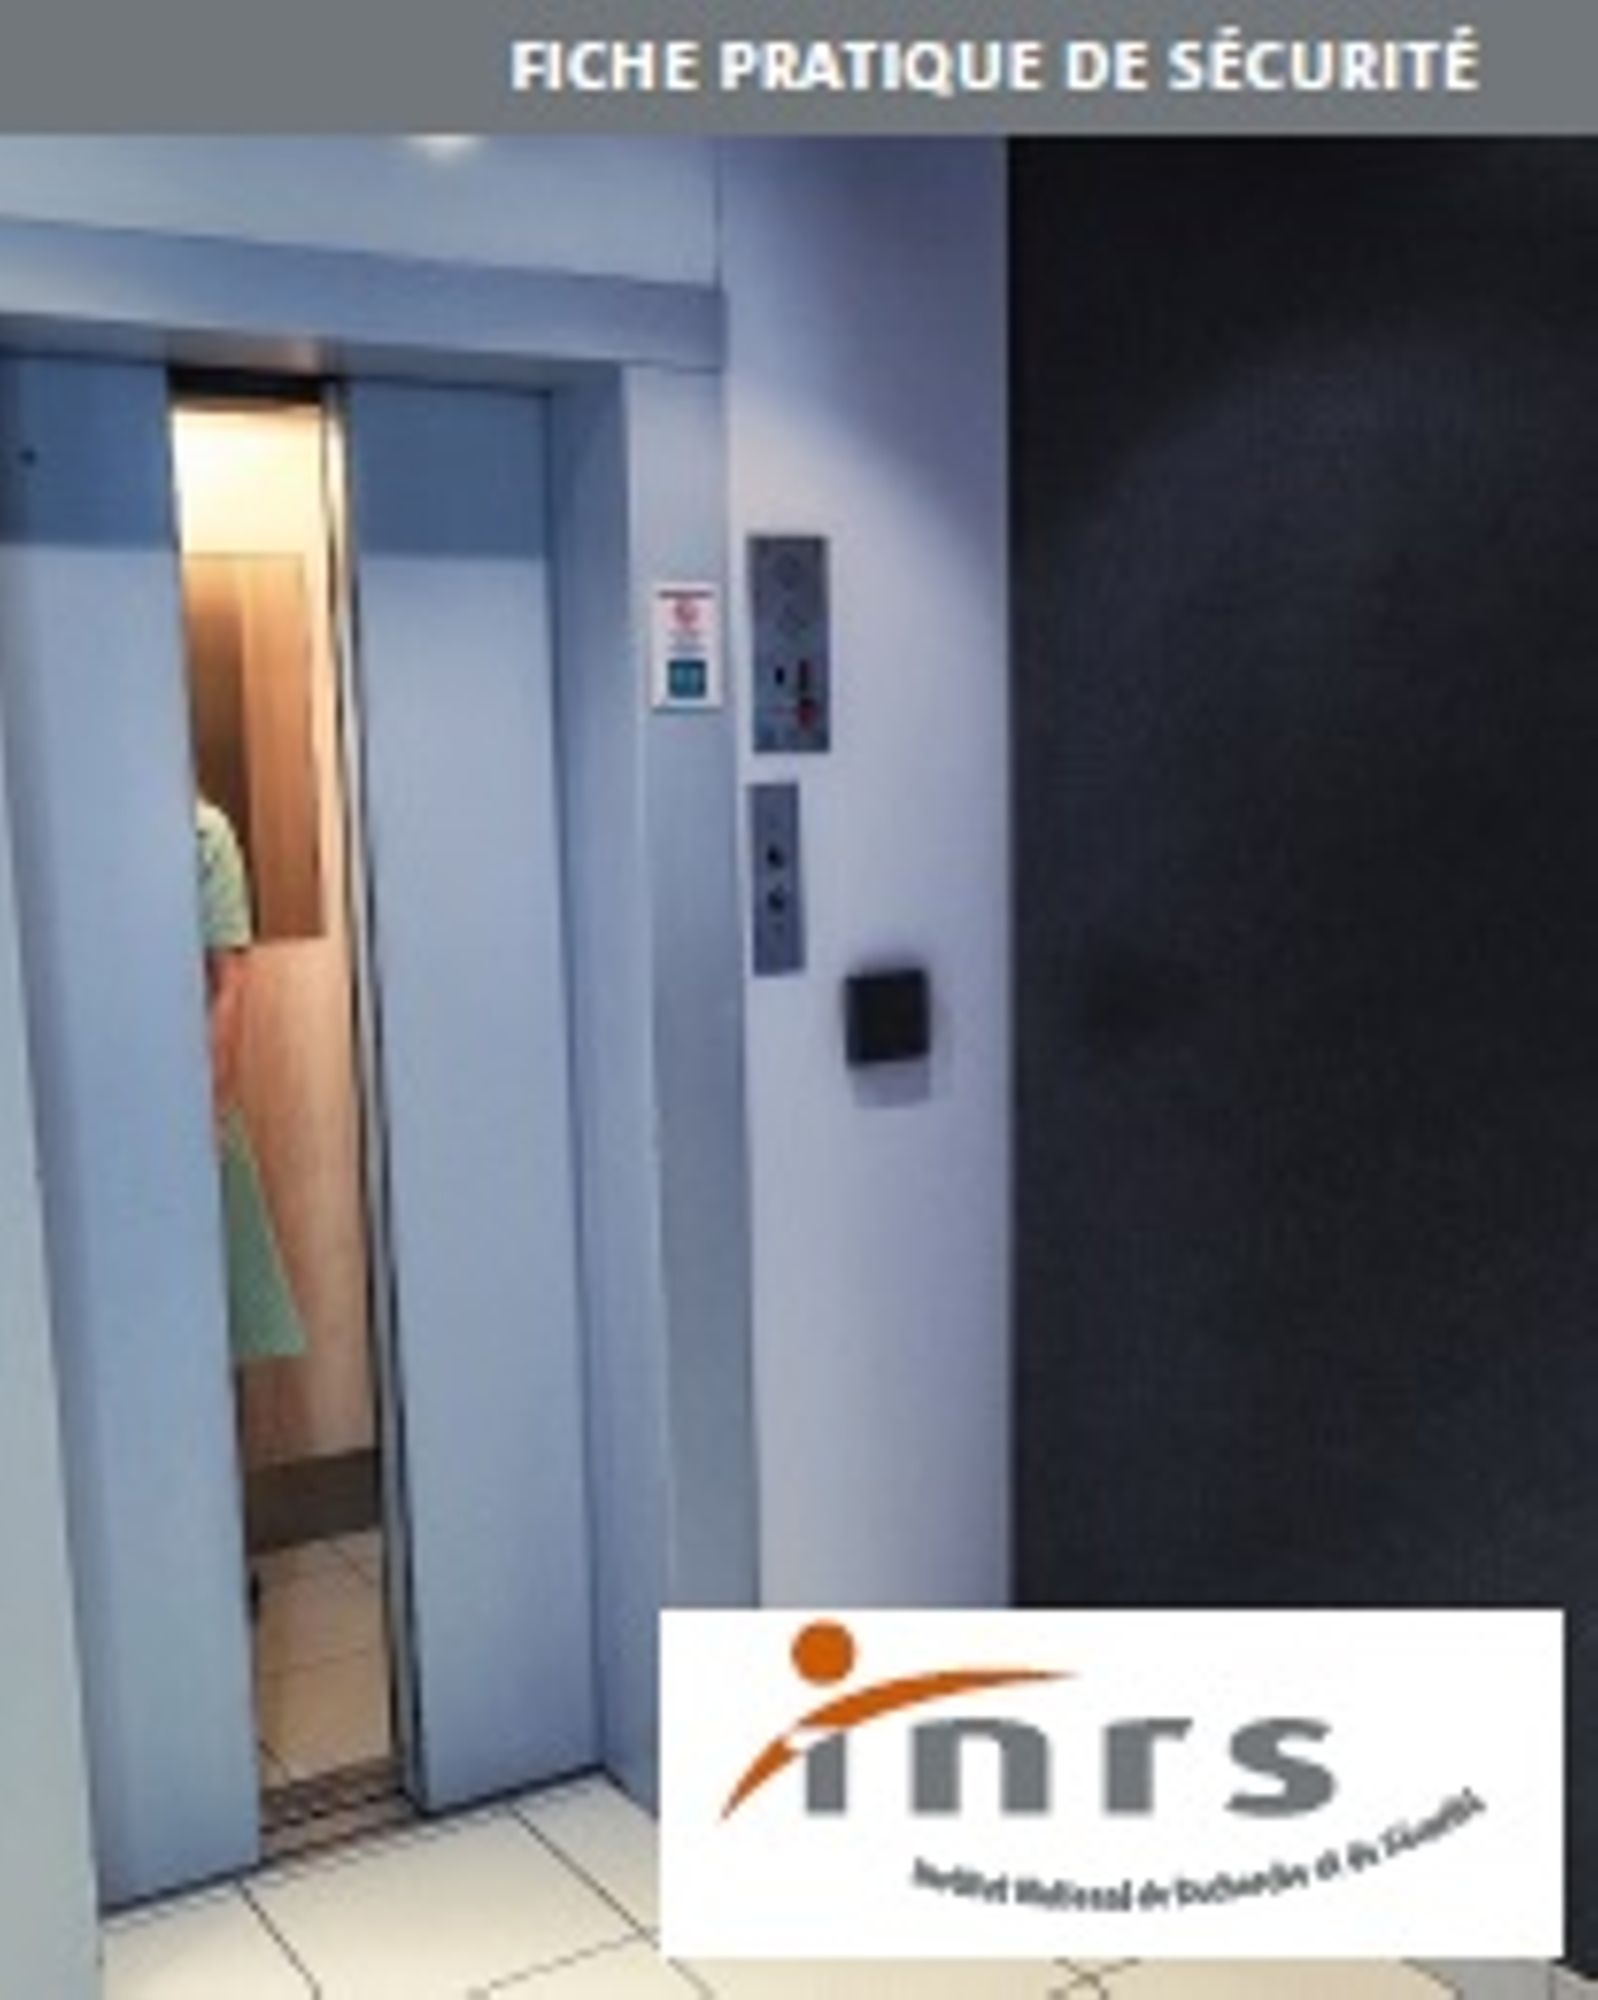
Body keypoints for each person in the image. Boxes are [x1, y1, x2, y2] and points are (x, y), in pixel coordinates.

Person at [196, 796, 308, 1367]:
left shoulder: (203, 833)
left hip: (189, 1097)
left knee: (217, 1299)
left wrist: (211, 1108)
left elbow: (231, 982)